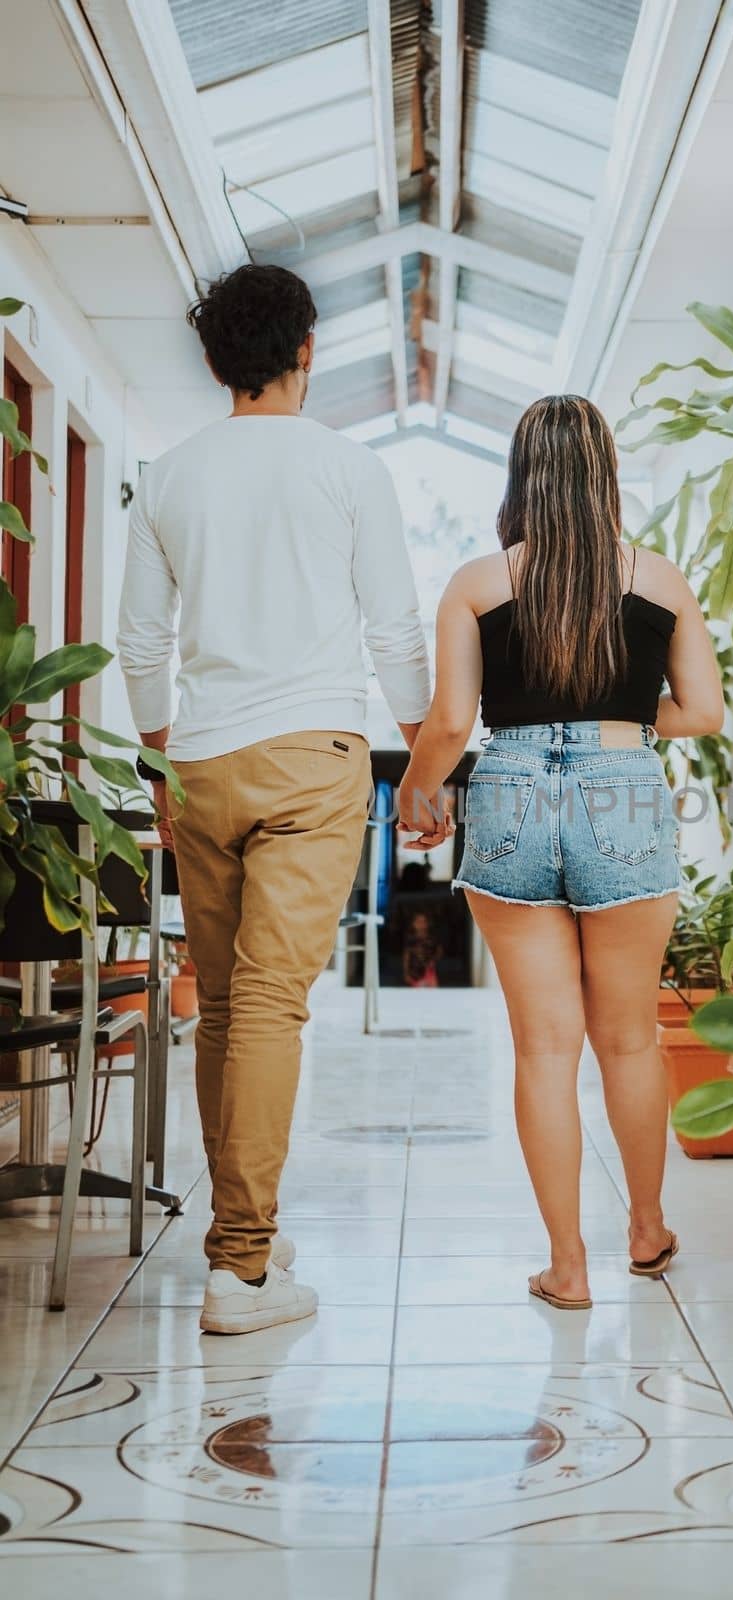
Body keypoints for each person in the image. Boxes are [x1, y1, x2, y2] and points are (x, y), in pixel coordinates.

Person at [117, 263, 436, 1335]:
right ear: (308, 351)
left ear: (216, 362)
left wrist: (160, 760)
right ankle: (242, 1266)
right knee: (266, 1002)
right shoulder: (348, 469)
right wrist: (428, 749)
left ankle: (240, 1233)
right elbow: (394, 630)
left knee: (223, 1001)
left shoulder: (167, 476)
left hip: (199, 763)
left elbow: (140, 643)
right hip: (313, 758)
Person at [398, 394, 724, 1309]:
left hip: (506, 790)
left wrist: (419, 801)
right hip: (624, 789)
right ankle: (649, 1230)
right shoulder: (658, 579)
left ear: (520, 477)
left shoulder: (475, 582)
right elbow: (702, 711)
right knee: (628, 1038)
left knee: (545, 1048)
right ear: (604, 474)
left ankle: (567, 1265)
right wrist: (616, 716)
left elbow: (455, 719)